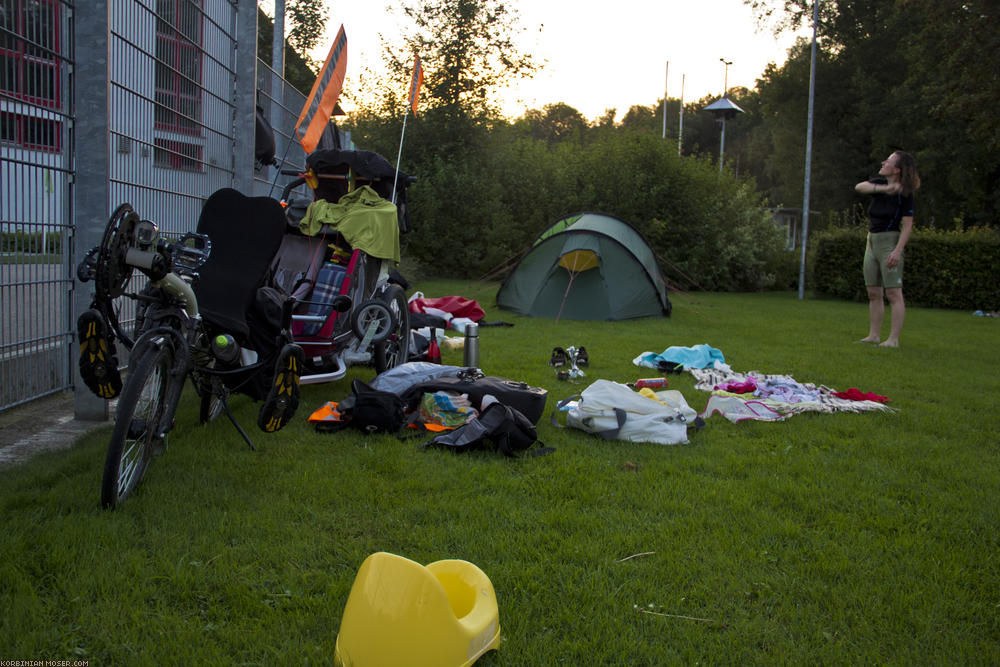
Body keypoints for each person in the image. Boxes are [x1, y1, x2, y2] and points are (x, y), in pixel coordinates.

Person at [854, 150, 920, 347]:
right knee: (873, 292)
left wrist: (897, 251)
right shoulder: (879, 184)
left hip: (889, 242)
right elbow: (860, 187)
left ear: (897, 169)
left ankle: (893, 339)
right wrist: (884, 189)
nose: (883, 162)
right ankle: (874, 335)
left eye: (888, 161)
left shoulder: (905, 194)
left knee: (893, 293)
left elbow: (907, 225)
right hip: (871, 241)